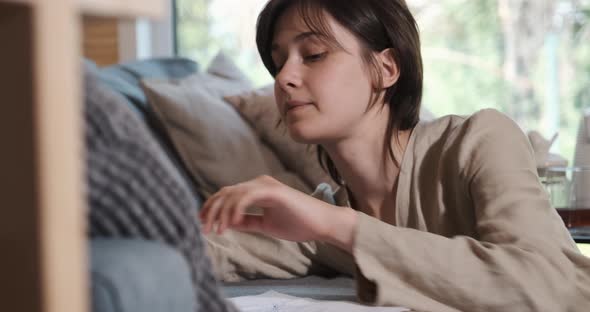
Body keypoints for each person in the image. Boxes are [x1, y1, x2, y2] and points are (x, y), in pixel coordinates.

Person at [200, 0, 590, 311]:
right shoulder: (321, 224)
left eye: (314, 54)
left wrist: (342, 227)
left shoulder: (481, 139)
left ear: (386, 68)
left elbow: (560, 288)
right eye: (278, 60)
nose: (285, 77)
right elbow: (205, 248)